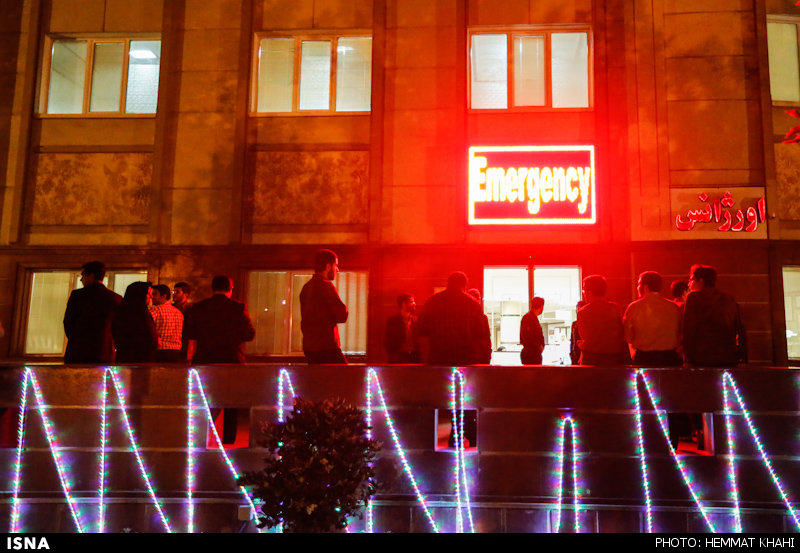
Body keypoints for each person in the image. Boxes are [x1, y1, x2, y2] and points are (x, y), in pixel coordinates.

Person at [416, 271, 488, 366]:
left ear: (448, 283)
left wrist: (425, 356)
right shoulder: (472, 304)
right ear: (465, 285)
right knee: (462, 376)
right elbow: (480, 333)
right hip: (465, 356)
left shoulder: (433, 301)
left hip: (438, 355)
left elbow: (422, 329)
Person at [683, 264, 747, 366]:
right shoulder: (729, 299)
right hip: (728, 356)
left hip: (702, 357)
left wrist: (687, 358)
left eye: (691, 279)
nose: (689, 284)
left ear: (701, 280)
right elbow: (740, 329)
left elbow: (689, 328)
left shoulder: (694, 297)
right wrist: (742, 357)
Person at [185, 275, 255, 364]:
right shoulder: (238, 308)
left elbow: (191, 333)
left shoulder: (200, 307)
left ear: (213, 288)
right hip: (232, 358)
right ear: (230, 288)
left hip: (205, 358)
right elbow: (249, 334)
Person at [63, 261, 122, 363]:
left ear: (91, 275)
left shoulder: (77, 296)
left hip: (78, 352)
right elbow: (118, 326)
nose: (81, 279)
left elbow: (68, 322)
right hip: (104, 352)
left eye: (83, 275)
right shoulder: (115, 298)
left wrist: (75, 339)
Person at [299, 249, 349, 364]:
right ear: (328, 266)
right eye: (336, 265)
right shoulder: (326, 286)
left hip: (310, 348)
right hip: (328, 347)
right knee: (346, 374)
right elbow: (342, 315)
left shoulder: (306, 288)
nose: (337, 269)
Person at [623, 271, 682, 367]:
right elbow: (680, 333)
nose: (637, 287)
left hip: (644, 358)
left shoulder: (634, 307)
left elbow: (627, 337)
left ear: (645, 287)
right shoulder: (674, 307)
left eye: (639, 284)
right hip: (670, 357)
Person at [576, 275, 629, 365]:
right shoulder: (615, 308)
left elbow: (584, 336)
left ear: (589, 292)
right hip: (615, 357)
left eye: (584, 291)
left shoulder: (583, 312)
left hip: (592, 357)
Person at [111, 281, 158, 363]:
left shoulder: (124, 310)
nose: (151, 296)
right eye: (148, 294)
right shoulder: (139, 312)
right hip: (138, 358)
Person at [150, 284, 184, 362]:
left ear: (164, 296)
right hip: (176, 351)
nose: (152, 297)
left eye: (155, 294)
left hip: (160, 351)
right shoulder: (178, 313)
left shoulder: (155, 310)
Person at [384, 293, 421, 363]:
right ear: (403, 304)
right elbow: (388, 341)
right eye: (411, 302)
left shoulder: (416, 320)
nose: (414, 304)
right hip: (399, 357)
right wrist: (393, 355)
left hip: (414, 357)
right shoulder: (393, 321)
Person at [467, 288, 492, 364]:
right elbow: (487, 338)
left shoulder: (463, 318)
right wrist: (488, 354)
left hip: (468, 355)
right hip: (480, 355)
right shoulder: (483, 317)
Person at [520, 296, 546, 365]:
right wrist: (539, 346)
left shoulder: (530, 318)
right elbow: (528, 337)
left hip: (532, 353)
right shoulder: (529, 318)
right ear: (541, 306)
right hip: (532, 354)